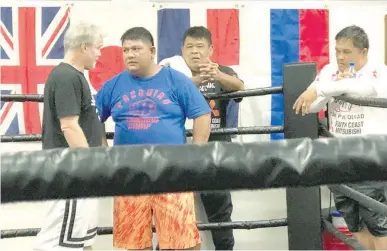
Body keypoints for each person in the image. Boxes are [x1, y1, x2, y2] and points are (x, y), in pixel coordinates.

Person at [95, 27, 211, 250]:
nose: (129, 54)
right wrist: (104, 153)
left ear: (152, 50)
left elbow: (202, 114)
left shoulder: (176, 80)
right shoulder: (113, 85)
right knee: (134, 243)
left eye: (136, 48)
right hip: (129, 174)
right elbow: (93, 118)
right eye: (125, 50)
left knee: (183, 241)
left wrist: (196, 155)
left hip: (172, 172)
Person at [293, 25, 387, 250]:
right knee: (353, 222)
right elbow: (312, 104)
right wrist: (328, 88)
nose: (341, 57)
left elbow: (368, 89)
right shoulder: (329, 71)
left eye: (347, 52)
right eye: (337, 51)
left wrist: (325, 88)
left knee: (379, 223)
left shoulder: (377, 70)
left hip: (368, 158)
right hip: (339, 158)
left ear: (363, 52)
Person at [159, 26, 244, 250]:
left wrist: (217, 75)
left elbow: (240, 88)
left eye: (200, 47)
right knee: (170, 209)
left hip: (214, 151)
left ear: (210, 49)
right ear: (182, 50)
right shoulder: (172, 75)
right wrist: (194, 80)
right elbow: (163, 98)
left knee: (220, 212)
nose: (195, 52)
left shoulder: (222, 70)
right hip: (179, 150)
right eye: (190, 47)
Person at [34, 21, 104, 251]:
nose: (99, 53)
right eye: (97, 47)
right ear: (84, 47)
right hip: (70, 170)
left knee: (81, 238)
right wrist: (88, 163)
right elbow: (69, 126)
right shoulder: (66, 77)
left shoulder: (76, 76)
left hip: (78, 169)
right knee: (56, 242)